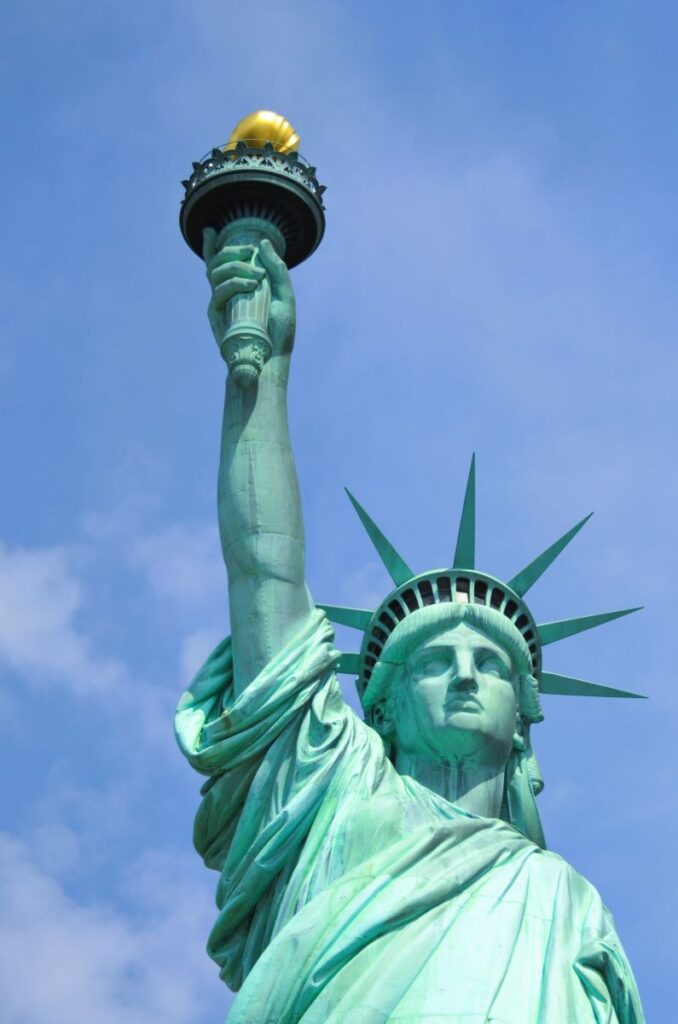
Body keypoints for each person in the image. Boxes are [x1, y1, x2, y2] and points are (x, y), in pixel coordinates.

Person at [175, 229, 645, 1024]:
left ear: (526, 720)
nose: (466, 674)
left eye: (490, 666)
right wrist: (266, 374)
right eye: (435, 661)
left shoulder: (566, 901)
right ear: (382, 707)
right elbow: (264, 572)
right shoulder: (333, 798)